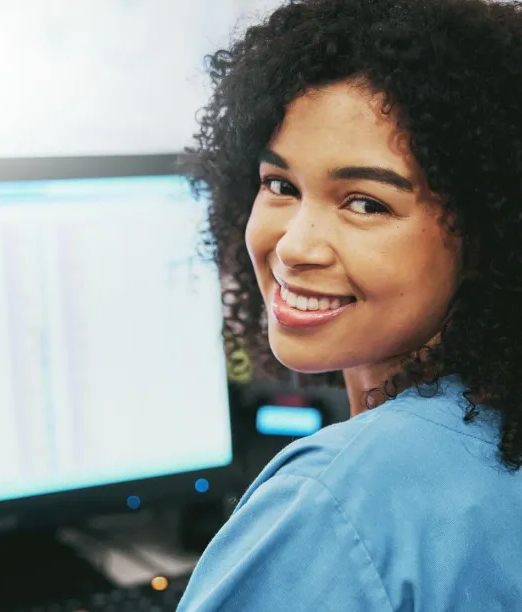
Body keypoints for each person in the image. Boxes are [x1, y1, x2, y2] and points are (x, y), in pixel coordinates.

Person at [176, 0, 522, 609]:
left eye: (365, 202)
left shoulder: (334, 499)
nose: (294, 246)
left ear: (491, 237)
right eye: (280, 186)